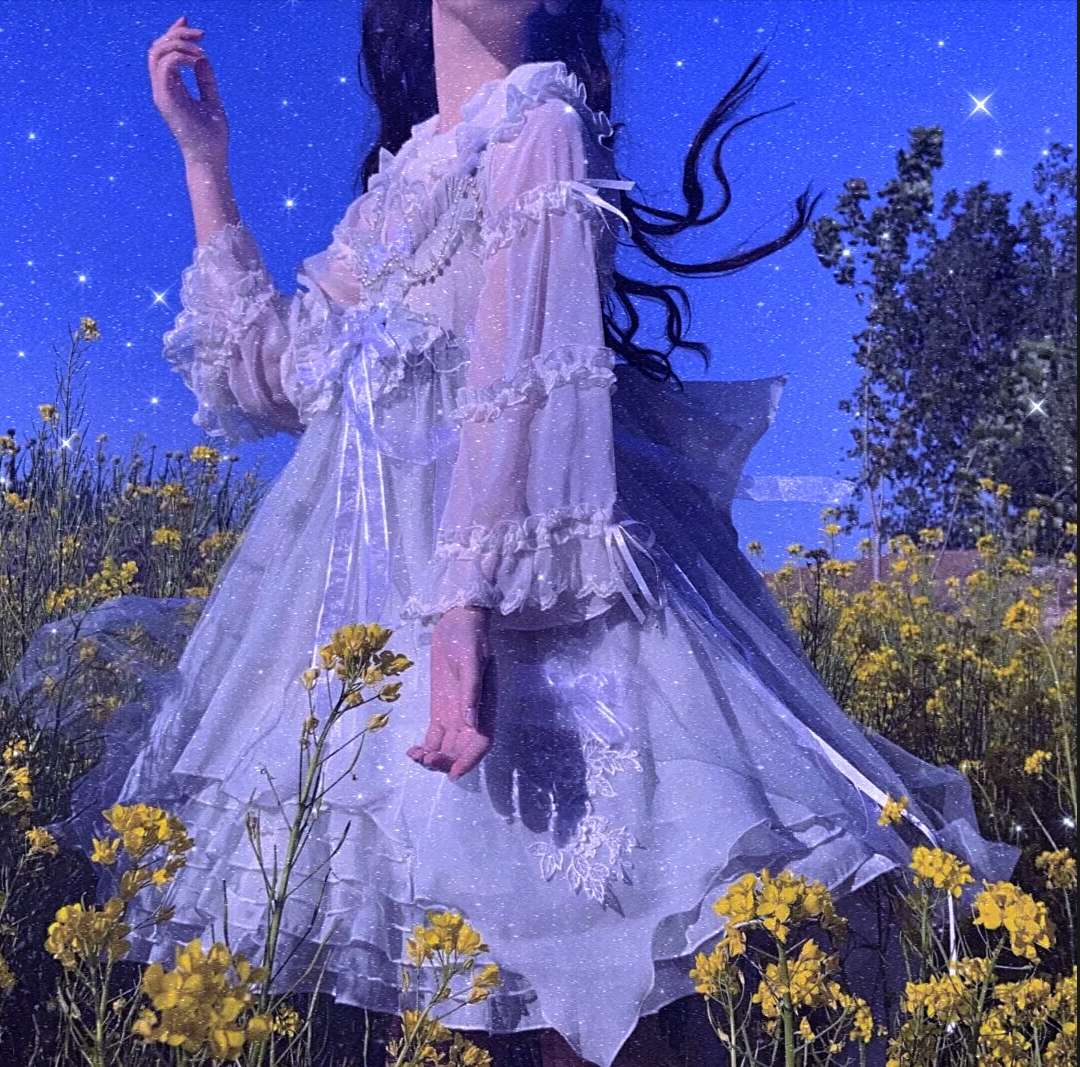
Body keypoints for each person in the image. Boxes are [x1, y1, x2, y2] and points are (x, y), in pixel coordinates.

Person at [19, 3, 1019, 1066]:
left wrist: (465, 616)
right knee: (430, 986)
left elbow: (526, 378)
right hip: (375, 628)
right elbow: (267, 375)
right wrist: (204, 160)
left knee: (577, 980)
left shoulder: (539, 120)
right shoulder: (398, 187)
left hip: (529, 607)